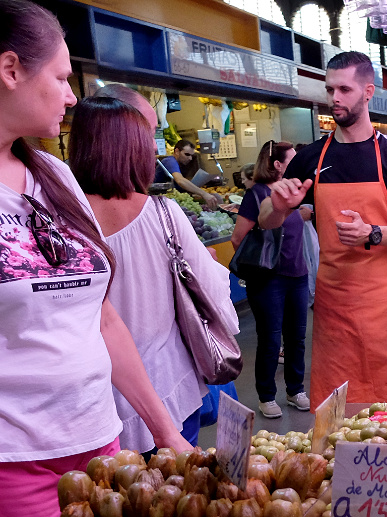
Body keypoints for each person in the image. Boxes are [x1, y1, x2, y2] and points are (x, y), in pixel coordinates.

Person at [0, 2, 192, 512]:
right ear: (11, 69)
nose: (71, 96)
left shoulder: (55, 178)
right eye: (62, 78)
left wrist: (166, 431)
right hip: (15, 463)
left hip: (103, 444)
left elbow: (103, 320)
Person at [259, 51, 387, 405]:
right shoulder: (312, 157)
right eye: (329, 90)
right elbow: (267, 220)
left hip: (382, 302)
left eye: (345, 89)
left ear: (368, 92)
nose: (335, 98)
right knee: (337, 405)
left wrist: (373, 233)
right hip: (333, 302)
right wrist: (276, 205)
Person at [69, 94, 239, 453]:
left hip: (97, 401)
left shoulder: (62, 221)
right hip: (169, 388)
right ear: (134, 150)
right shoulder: (164, 214)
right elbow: (213, 295)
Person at [231, 140, 310, 418]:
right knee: (270, 339)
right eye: (292, 160)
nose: (298, 164)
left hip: (297, 275)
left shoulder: (297, 193)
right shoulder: (257, 194)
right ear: (278, 165)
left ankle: (295, 389)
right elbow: (238, 237)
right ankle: (266, 395)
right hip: (268, 279)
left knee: (297, 337)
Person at [158, 139, 220, 210]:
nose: (190, 158)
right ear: (177, 151)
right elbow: (180, 180)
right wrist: (204, 194)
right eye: (187, 154)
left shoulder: (181, 164)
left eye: (191, 155)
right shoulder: (170, 161)